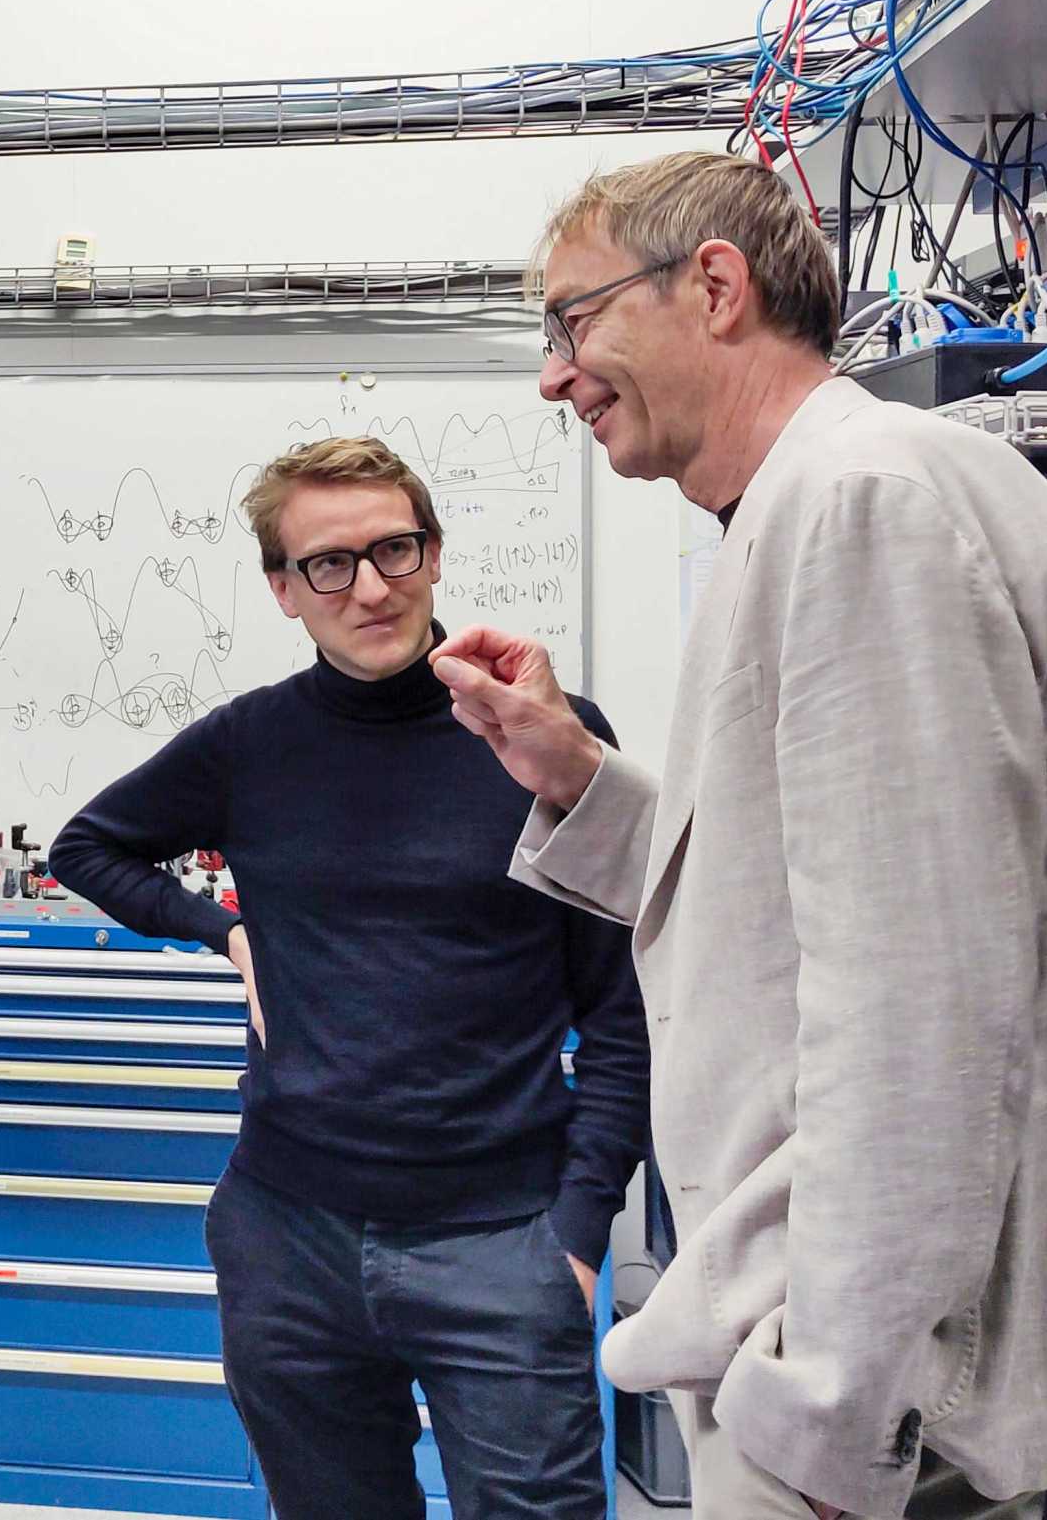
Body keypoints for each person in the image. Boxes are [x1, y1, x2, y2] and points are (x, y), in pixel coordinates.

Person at [433, 150, 1047, 1520]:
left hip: (890, 1402)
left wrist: (837, 1410)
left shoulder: (863, 502)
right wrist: (580, 776)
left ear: (713, 285)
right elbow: (794, 905)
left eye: (574, 322)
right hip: (867, 1367)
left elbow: (921, 1006)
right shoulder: (812, 506)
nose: (554, 375)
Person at [50, 436, 648, 1520]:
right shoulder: (250, 743)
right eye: (328, 563)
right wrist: (220, 929)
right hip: (288, 1240)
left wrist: (576, 1233)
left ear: (431, 554)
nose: (369, 587)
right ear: (283, 590)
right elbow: (88, 846)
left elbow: (621, 1006)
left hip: (501, 1241)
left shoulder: (541, 736)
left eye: (394, 549)